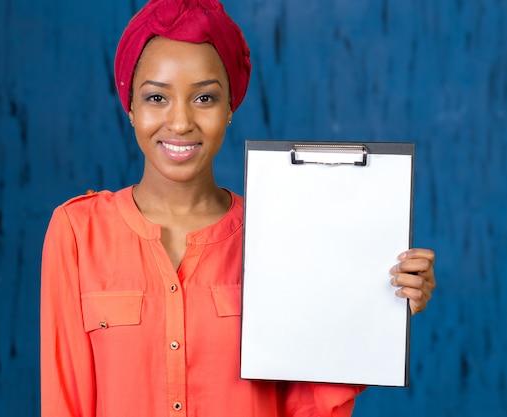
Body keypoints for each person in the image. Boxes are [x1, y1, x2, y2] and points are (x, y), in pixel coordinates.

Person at [40, 0, 437, 416]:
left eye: (204, 98)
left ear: (230, 107)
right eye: (156, 97)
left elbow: (305, 403)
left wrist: (381, 303)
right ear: (130, 108)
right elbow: (64, 400)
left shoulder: (280, 232)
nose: (179, 123)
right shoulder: (76, 232)